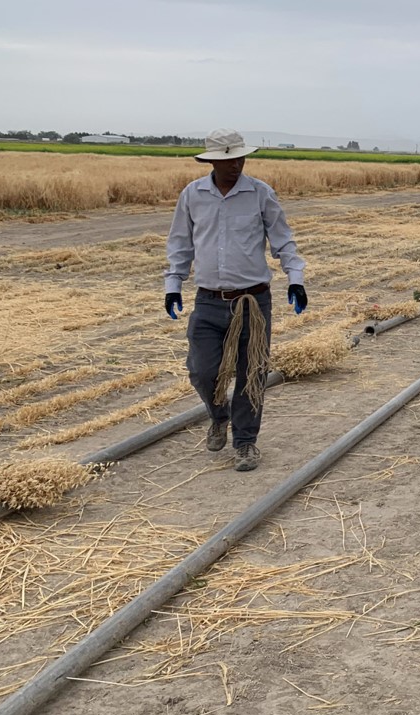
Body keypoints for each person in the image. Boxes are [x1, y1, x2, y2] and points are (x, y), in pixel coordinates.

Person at [163, 128, 308, 472]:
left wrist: (296, 280)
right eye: (228, 160)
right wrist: (173, 283)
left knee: (252, 373)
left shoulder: (260, 194)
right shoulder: (193, 195)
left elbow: (283, 241)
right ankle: (219, 416)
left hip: (253, 303)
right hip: (209, 302)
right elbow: (180, 243)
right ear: (212, 161)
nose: (236, 165)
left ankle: (245, 443)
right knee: (201, 370)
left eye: (240, 158)